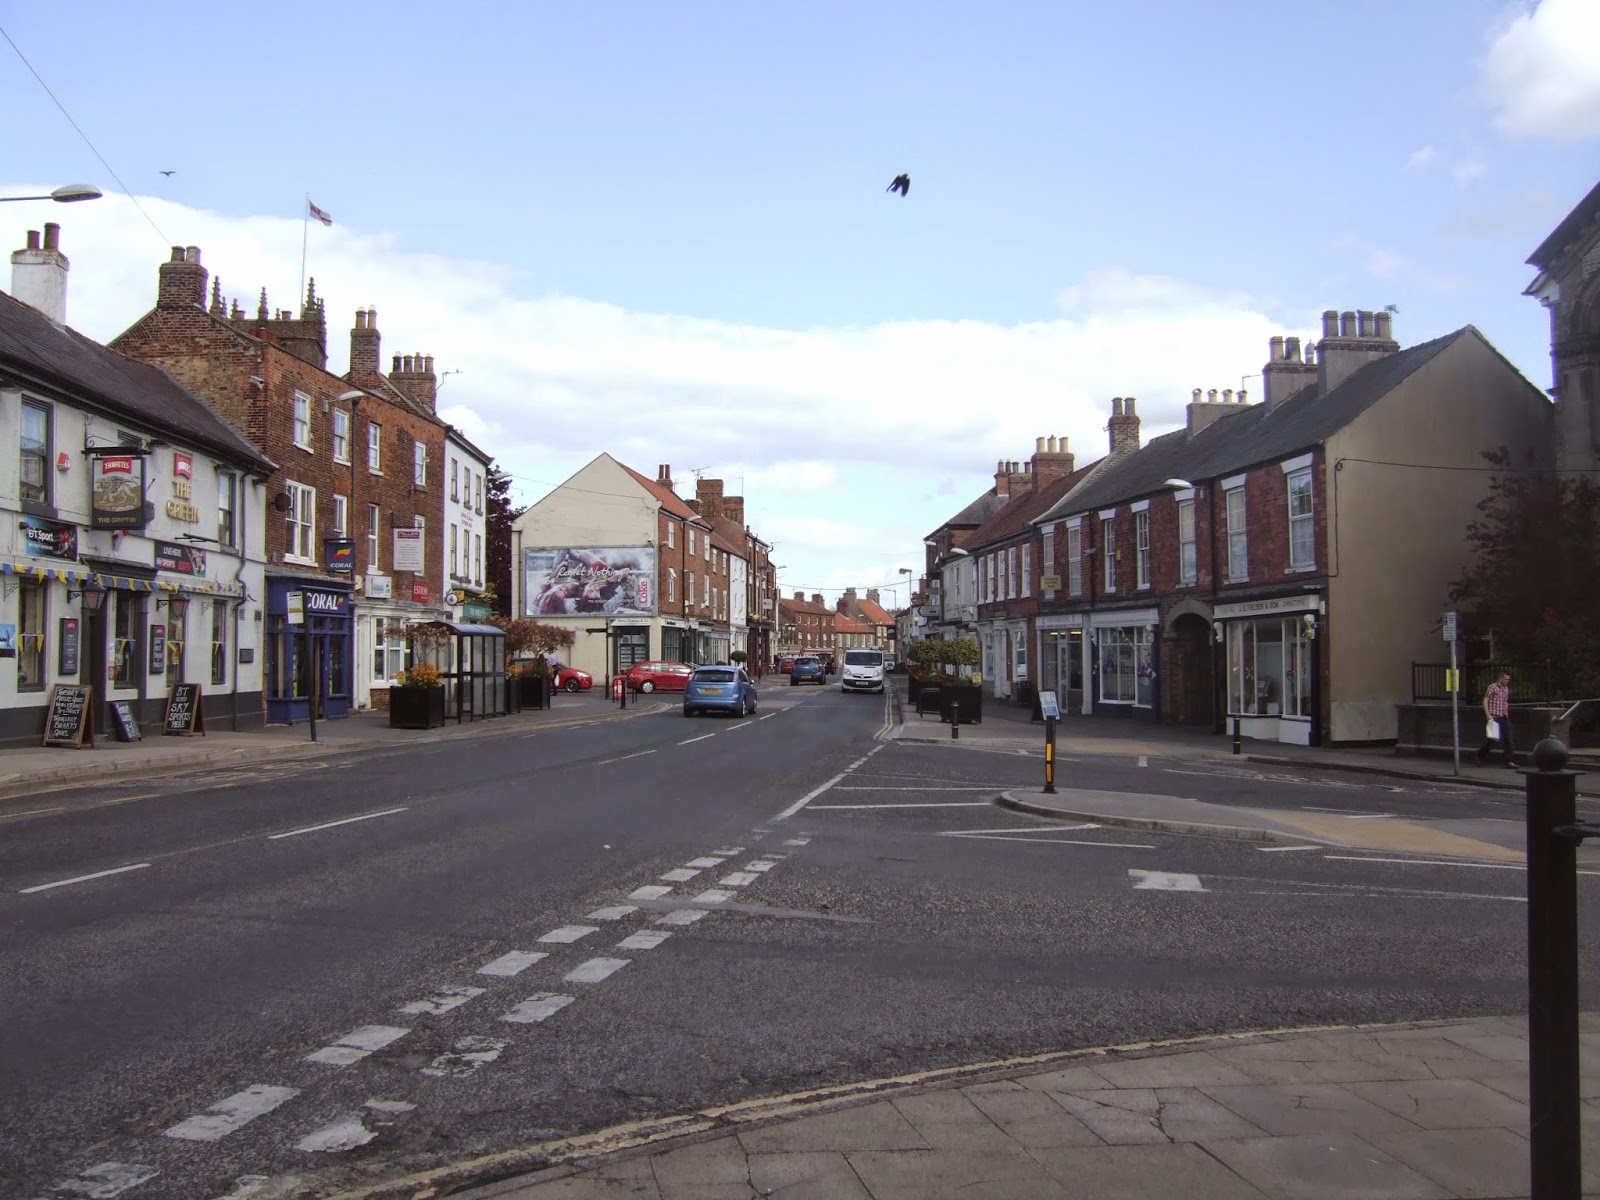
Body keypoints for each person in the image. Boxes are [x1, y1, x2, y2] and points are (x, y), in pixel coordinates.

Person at [1475, 670, 1517, 768]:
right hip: (1494, 717)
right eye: (1506, 679)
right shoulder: (1492, 687)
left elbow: (1504, 702)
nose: (1507, 681)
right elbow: (1485, 700)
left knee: (1508, 739)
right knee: (1493, 741)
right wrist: (1488, 714)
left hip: (1504, 717)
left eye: (1508, 680)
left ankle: (1509, 761)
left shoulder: (1506, 689)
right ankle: (1479, 755)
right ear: (1501, 678)